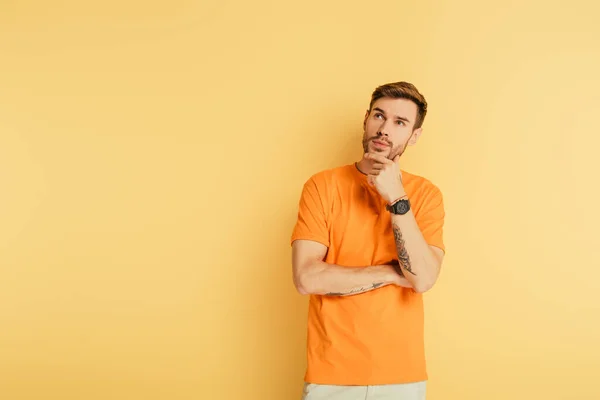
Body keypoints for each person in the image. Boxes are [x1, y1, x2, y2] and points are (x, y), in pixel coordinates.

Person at [290, 81, 446, 400]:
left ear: (413, 136)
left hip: (402, 376)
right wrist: (391, 273)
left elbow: (424, 278)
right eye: (379, 116)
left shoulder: (426, 195)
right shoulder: (322, 187)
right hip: (331, 375)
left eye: (399, 122)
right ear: (366, 119)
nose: (384, 129)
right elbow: (306, 278)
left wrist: (396, 198)